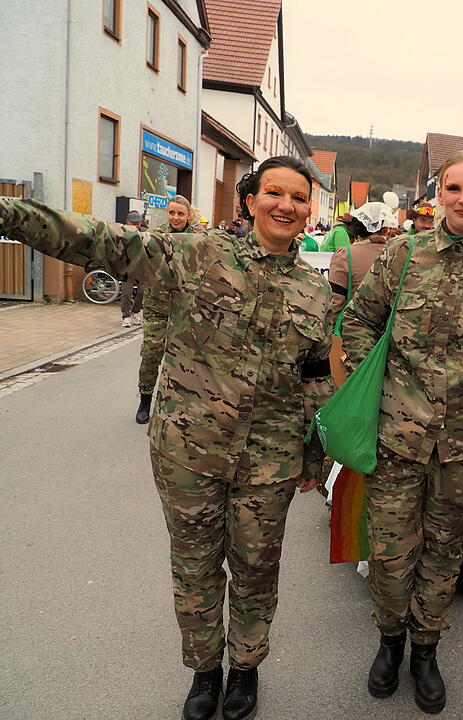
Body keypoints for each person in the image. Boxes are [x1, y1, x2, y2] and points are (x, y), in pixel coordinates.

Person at [0, 155, 333, 720]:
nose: (286, 205)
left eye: (299, 197)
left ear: (309, 211)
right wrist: (11, 215)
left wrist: (314, 454)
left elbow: (316, 378)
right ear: (250, 201)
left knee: (257, 567)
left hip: (269, 459)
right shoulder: (196, 254)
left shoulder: (315, 292)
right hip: (189, 451)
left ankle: (245, 668)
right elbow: (102, 242)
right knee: (195, 565)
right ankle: (204, 671)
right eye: (274, 192)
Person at [340, 150, 463, 714]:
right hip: (397, 438)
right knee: (391, 551)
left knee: (444, 554)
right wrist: (369, 385)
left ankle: (426, 651)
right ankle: (389, 642)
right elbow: (359, 319)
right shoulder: (404, 255)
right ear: (438, 195)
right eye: (454, 188)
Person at [134, 194, 196, 424]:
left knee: (184, 359)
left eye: (180, 213)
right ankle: (145, 399)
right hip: (156, 307)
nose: (176, 217)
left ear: (188, 215)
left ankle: (178, 405)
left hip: (185, 309)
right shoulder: (155, 236)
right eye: (172, 213)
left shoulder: (197, 240)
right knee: (151, 354)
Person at [119, 210, 145, 328]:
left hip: (141, 267)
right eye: (132, 223)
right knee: (127, 293)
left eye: (137, 223)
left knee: (142, 292)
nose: (135, 225)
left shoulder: (145, 233)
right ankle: (126, 316)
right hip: (127, 267)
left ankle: (135, 312)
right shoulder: (121, 232)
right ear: (127, 222)